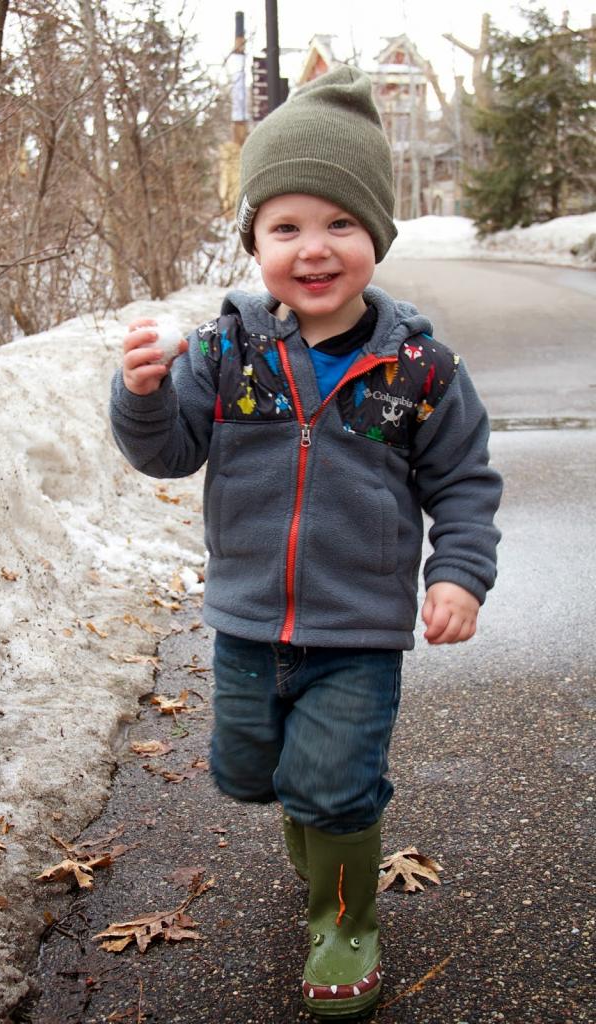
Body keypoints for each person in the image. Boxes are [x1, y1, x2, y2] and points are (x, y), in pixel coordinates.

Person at [110, 64, 502, 1019]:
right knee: (250, 774)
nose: (314, 249)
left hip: (356, 632)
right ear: (255, 243)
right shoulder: (225, 353)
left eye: (340, 225)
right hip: (248, 624)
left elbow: (462, 483)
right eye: (286, 227)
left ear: (377, 237)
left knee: (331, 783)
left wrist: (458, 576)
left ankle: (343, 915)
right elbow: (170, 455)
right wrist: (145, 395)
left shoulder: (418, 369)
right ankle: (323, 836)